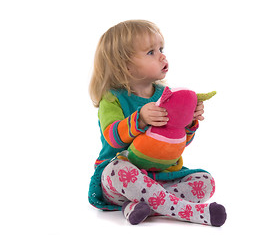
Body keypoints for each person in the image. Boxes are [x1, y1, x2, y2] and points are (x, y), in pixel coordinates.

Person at [88, 20, 227, 226]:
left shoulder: (167, 95)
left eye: (161, 49)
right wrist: (140, 119)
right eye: (151, 52)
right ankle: (192, 212)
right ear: (124, 64)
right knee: (117, 170)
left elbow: (175, 144)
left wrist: (188, 123)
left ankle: (138, 206)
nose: (162, 55)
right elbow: (113, 139)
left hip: (160, 176)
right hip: (120, 179)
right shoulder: (112, 98)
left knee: (206, 182)